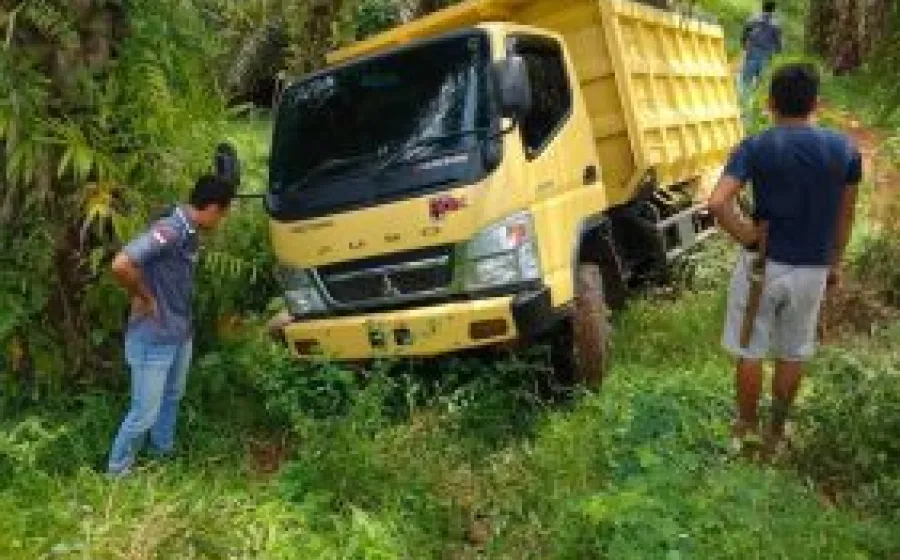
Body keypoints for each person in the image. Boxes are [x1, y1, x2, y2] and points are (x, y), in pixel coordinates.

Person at [707, 63, 862, 456]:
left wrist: (745, 234)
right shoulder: (845, 150)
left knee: (750, 350)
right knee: (794, 352)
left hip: (763, 266)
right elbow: (846, 215)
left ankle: (745, 430)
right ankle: (776, 434)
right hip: (813, 268)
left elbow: (717, 202)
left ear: (771, 103)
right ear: (816, 103)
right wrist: (835, 262)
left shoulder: (756, 147)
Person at [107, 175, 235, 476]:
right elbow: (121, 264)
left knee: (171, 398)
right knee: (144, 413)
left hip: (179, 334)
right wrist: (144, 297)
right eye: (223, 215)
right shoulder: (170, 230)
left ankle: (161, 456)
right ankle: (117, 471)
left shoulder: (190, 232)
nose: (222, 222)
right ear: (213, 209)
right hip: (153, 337)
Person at [740, 1, 783, 96]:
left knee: (746, 77)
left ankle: (744, 97)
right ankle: (755, 99)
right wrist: (778, 51)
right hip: (766, 54)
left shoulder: (753, 19)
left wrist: (744, 44)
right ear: (773, 9)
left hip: (752, 51)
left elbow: (745, 33)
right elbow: (778, 42)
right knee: (761, 79)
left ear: (762, 7)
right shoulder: (776, 25)